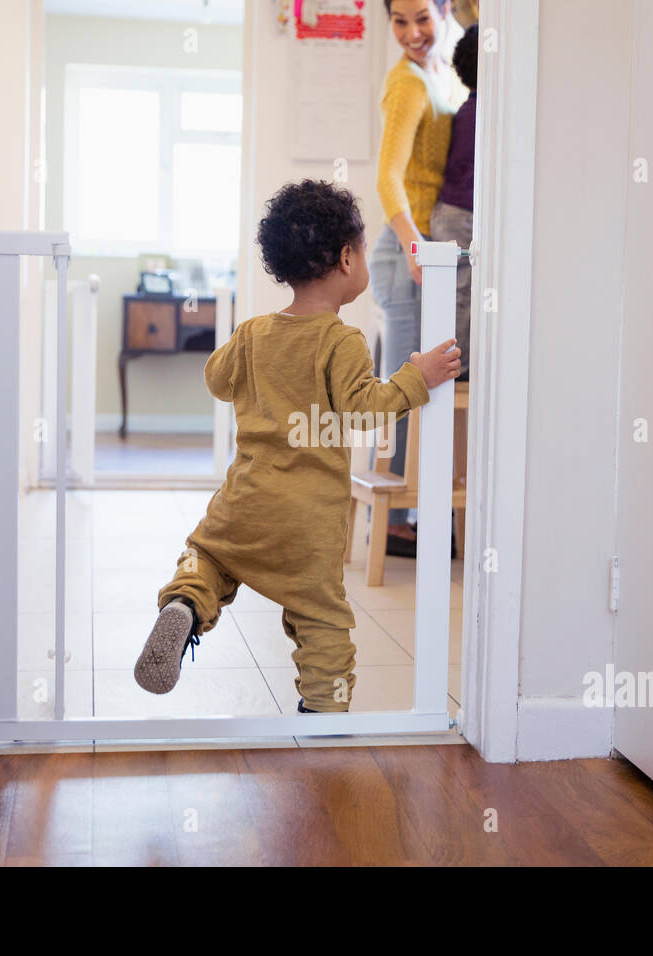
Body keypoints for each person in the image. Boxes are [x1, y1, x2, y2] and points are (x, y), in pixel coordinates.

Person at [132, 180, 461, 713]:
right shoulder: (342, 339)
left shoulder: (253, 331)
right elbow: (364, 409)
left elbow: (217, 380)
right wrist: (416, 377)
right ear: (348, 258)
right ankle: (324, 713)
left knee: (208, 558)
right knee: (321, 620)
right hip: (308, 525)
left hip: (244, 505)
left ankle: (185, 606)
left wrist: (248, 353)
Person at [370, 0, 466, 558]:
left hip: (419, 247)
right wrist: (414, 249)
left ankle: (402, 512)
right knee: (403, 385)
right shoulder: (406, 84)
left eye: (422, 19)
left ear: (443, 11)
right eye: (400, 21)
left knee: (410, 381)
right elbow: (387, 178)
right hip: (405, 250)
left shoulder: (439, 74)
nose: (411, 33)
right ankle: (392, 521)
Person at [429, 24, 477, 382]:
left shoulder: (469, 110)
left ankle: (459, 367)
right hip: (460, 215)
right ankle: (459, 370)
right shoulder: (481, 115)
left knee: (460, 294)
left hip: (453, 213)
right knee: (461, 295)